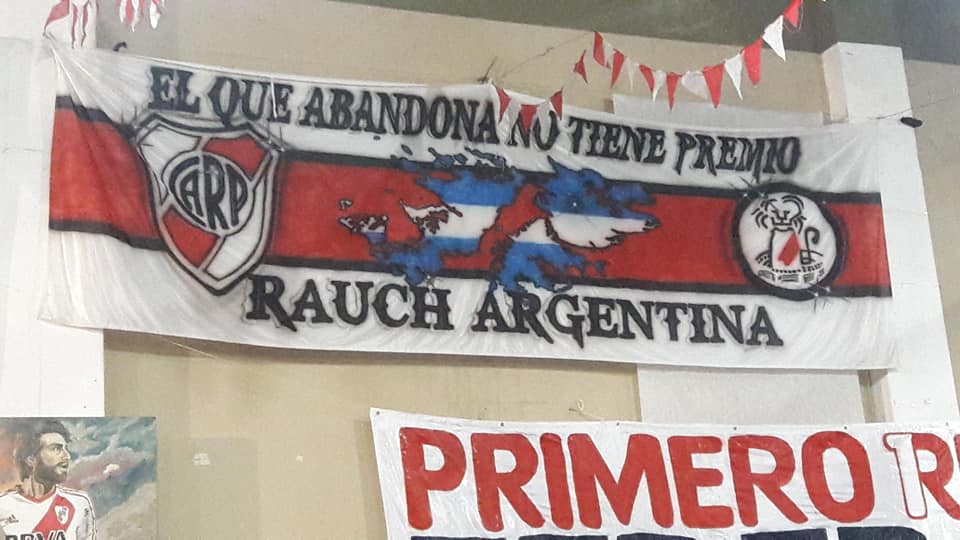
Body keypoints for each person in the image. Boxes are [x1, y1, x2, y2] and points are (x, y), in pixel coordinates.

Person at [0, 420, 96, 539]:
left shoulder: (78, 503)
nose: (67, 456)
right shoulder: (3, 505)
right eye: (56, 449)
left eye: (66, 449)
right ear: (31, 459)